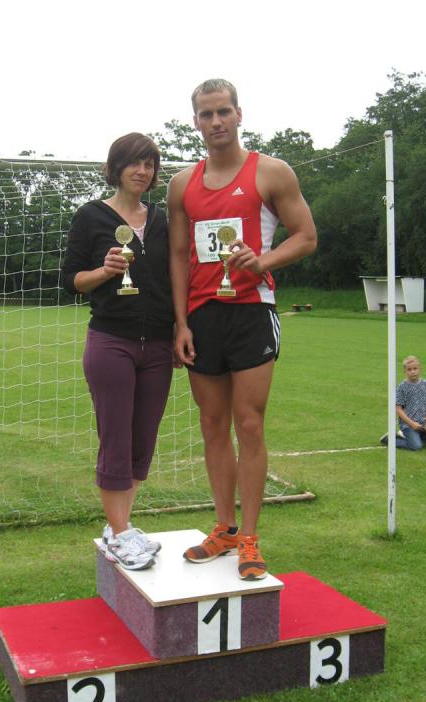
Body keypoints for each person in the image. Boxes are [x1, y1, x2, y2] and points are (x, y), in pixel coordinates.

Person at [168, 79, 317, 580]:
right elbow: (178, 255)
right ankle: (225, 528)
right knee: (212, 426)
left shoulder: (271, 172)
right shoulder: (181, 184)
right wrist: (180, 323)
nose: (216, 121)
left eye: (223, 111)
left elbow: (306, 236)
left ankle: (250, 538)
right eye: (206, 114)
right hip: (202, 317)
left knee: (248, 424)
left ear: (239, 114)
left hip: (252, 310)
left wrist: (262, 261)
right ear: (195, 121)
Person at [62, 133, 174, 570]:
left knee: (142, 441)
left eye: (149, 164)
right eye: (133, 163)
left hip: (159, 345)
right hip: (111, 342)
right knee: (116, 439)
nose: (142, 171)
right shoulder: (91, 216)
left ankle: (119, 527)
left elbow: (174, 276)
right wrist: (104, 271)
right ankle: (122, 533)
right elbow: (71, 280)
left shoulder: (162, 219)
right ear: (116, 168)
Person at [380, 355, 426, 450]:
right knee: (416, 446)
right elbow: (398, 409)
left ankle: (419, 437)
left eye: (415, 368)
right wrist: (412, 424)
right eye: (409, 369)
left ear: (420, 369)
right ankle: (389, 439)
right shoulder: (402, 387)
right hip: (408, 425)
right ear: (405, 371)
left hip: (423, 423)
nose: (413, 371)